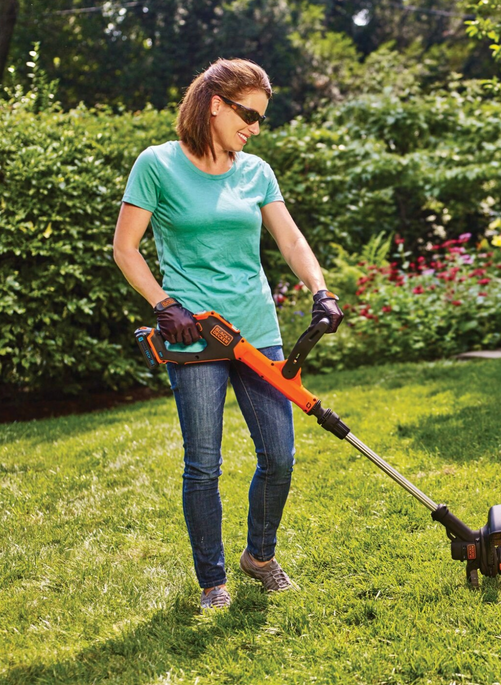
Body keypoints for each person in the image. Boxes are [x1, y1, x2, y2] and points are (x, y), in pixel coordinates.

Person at [113, 58, 343, 611]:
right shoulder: (158, 165)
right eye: (248, 114)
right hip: (194, 336)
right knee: (204, 463)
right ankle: (212, 579)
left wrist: (320, 289)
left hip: (256, 330)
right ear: (215, 104)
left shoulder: (255, 171)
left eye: (260, 118)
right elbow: (125, 249)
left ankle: (258, 556)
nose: (255, 127)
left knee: (280, 456)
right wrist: (163, 303)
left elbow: (290, 241)